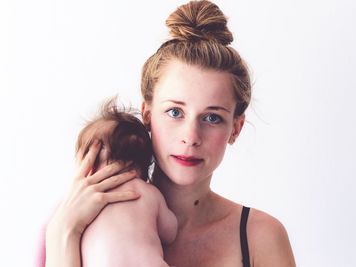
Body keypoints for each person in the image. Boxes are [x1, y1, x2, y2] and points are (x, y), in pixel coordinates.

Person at [44, 1, 296, 266]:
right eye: (175, 112)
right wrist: (62, 231)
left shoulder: (261, 237)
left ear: (236, 128)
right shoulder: (78, 222)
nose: (191, 136)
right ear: (148, 115)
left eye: (212, 118)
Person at [40, 98, 177, 267]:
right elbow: (170, 232)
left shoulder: (68, 208)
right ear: (144, 164)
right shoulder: (148, 193)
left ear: (88, 164)